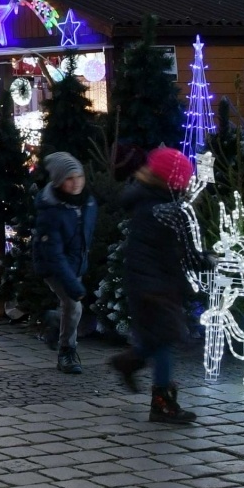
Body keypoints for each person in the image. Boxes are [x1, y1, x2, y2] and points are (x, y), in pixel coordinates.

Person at [110, 148, 202, 423]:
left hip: (143, 282)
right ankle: (162, 404)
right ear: (175, 181)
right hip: (158, 286)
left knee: (160, 338)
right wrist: (210, 261)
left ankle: (129, 361)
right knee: (165, 339)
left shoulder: (144, 200)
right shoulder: (170, 210)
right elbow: (190, 253)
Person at [34, 151, 97, 375]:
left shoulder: (88, 202)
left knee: (70, 307)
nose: (76, 182)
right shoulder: (51, 211)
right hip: (53, 266)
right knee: (73, 304)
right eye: (69, 178)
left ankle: (53, 324)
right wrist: (73, 284)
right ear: (59, 182)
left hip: (76, 263)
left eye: (78, 176)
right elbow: (54, 254)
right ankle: (67, 352)